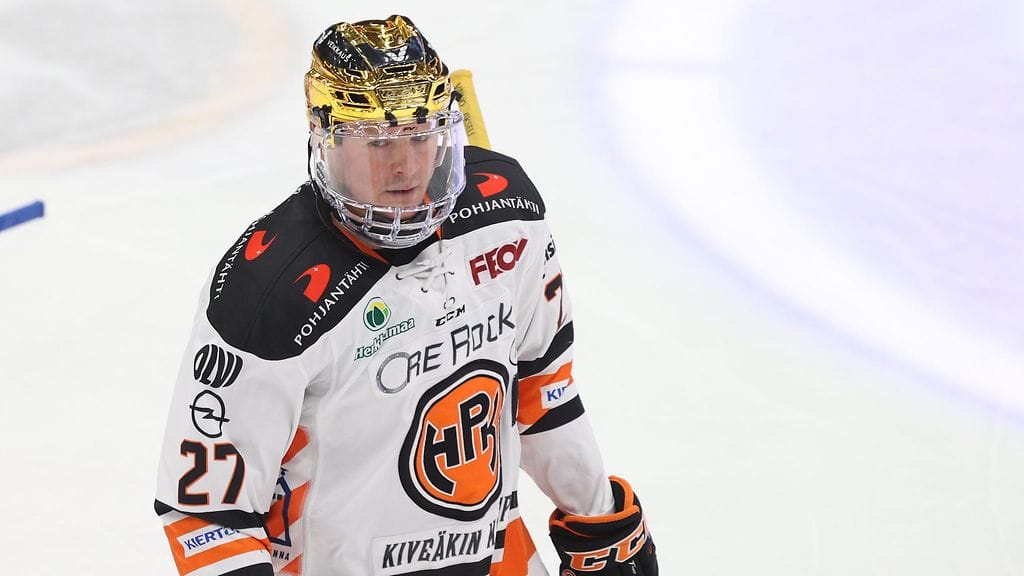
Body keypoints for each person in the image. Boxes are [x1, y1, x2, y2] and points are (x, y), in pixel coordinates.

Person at [155, 15, 658, 576]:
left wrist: (597, 517)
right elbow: (208, 517)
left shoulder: (507, 217)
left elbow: (542, 386)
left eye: (420, 136)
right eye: (377, 142)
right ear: (326, 138)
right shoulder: (271, 289)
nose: (404, 166)